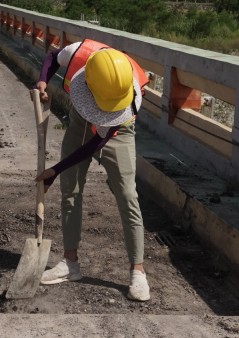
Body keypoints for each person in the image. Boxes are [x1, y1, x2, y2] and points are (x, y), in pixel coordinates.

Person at [33, 39, 151, 301]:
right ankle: (70, 263)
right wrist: (42, 80)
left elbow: (94, 144)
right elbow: (52, 57)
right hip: (78, 126)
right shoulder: (79, 53)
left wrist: (56, 169)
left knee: (127, 196)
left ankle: (137, 271)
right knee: (70, 192)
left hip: (116, 134)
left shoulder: (130, 94)